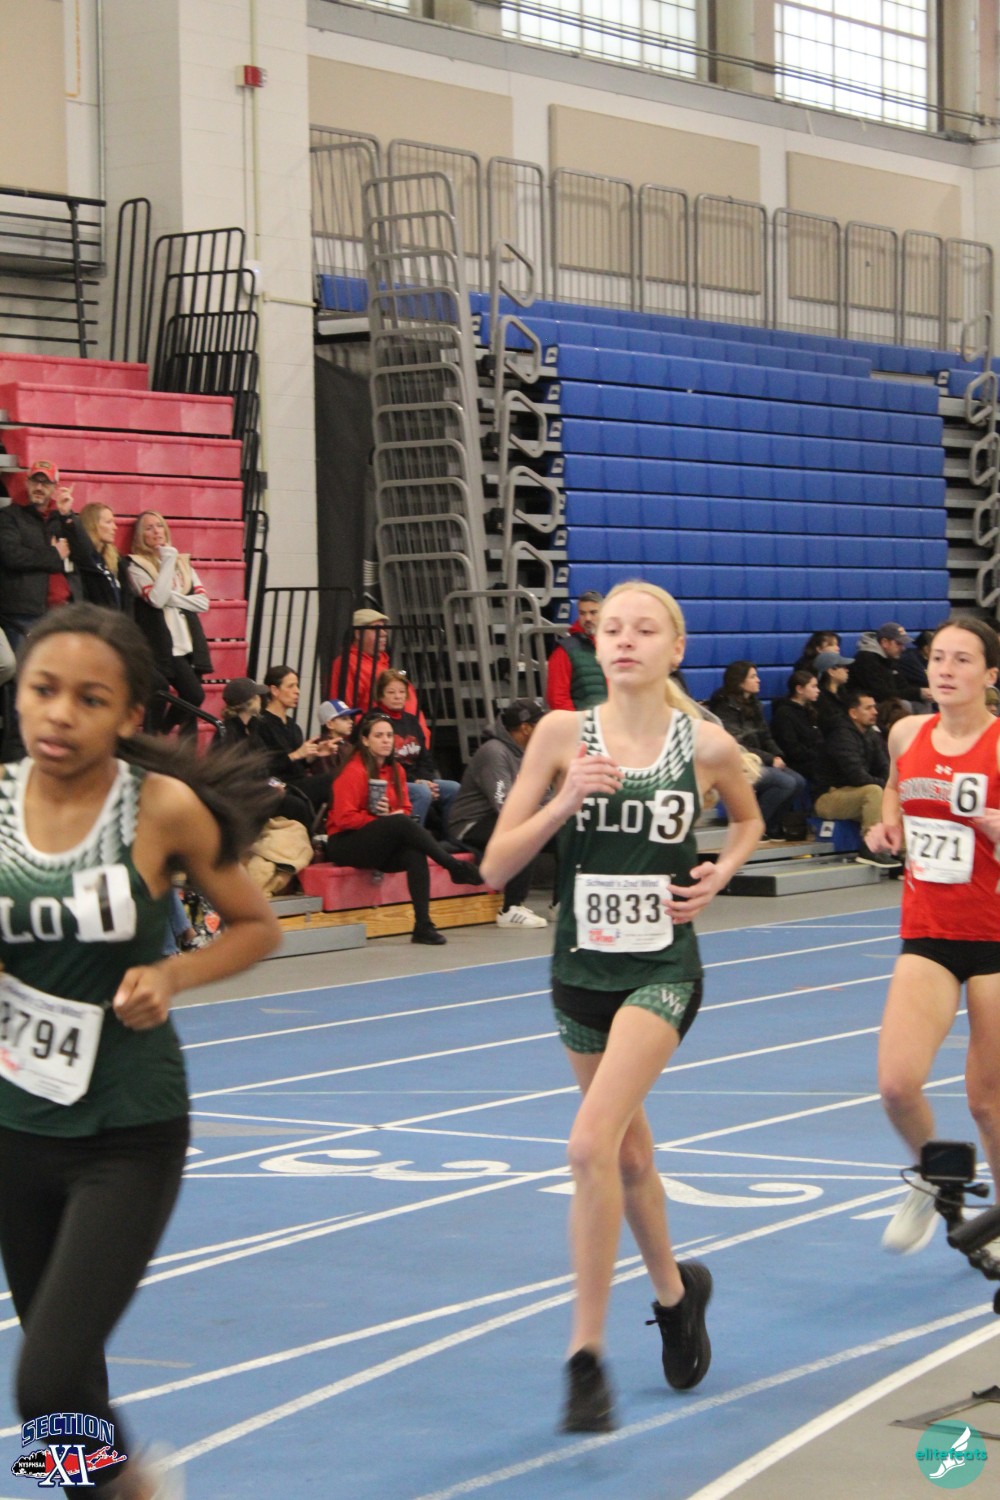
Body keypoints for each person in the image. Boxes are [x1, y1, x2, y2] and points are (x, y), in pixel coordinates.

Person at [0, 602, 280, 1499]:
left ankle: (125, 1488)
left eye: (88, 699)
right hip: (16, 1124)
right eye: (43, 690)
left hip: (126, 1125)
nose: (58, 715)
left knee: (44, 1381)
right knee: (67, 1392)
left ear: (127, 714)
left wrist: (172, 974)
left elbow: (257, 926)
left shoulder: (159, 807)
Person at [480, 581, 762, 1432]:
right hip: (579, 971)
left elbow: (748, 821)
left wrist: (720, 873)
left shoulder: (703, 743)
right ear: (595, 646)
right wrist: (564, 801)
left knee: (588, 1145)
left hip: (662, 970)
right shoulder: (562, 735)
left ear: (676, 648)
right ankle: (677, 1296)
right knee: (630, 1159)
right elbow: (495, 867)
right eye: (612, 629)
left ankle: (586, 1355)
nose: (626, 640)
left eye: (645, 629)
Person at [866, 617, 1000, 1255]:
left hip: (995, 937)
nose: (945, 669)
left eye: (962, 660)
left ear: (990, 675)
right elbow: (896, 788)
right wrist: (887, 825)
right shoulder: (906, 733)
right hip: (928, 931)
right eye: (938, 657)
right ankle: (934, 1173)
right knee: (896, 1085)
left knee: (988, 1104)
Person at [327, 711, 484, 945]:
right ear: (365, 740)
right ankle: (452, 865)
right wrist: (379, 819)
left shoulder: (396, 770)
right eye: (379, 735)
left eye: (389, 735)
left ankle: (423, 926)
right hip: (345, 842)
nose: (386, 740)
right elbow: (344, 819)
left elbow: (405, 808)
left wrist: (389, 816)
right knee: (399, 822)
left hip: (376, 838)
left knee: (414, 853)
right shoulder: (353, 771)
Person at [447, 698, 551, 930]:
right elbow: (504, 805)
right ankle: (510, 909)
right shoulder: (494, 752)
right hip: (470, 824)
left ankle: (560, 902)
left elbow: (545, 796)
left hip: (501, 819)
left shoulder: (531, 752)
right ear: (525, 728)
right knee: (526, 833)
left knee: (567, 829)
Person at [126, 511, 211, 738]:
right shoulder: (136, 565)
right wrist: (167, 561)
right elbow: (155, 599)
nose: (156, 531)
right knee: (160, 697)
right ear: (140, 535)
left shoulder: (183, 563)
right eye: (149, 528)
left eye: (159, 526)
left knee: (194, 696)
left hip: (186, 644)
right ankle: (153, 738)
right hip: (159, 645)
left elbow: (203, 602)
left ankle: (163, 733)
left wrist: (169, 597)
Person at [707, 661, 808, 839]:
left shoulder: (755, 704)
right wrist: (769, 759)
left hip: (758, 759)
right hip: (738, 762)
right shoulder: (724, 707)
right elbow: (737, 744)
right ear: (740, 681)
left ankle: (770, 826)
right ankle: (751, 828)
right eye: (753, 677)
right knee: (785, 782)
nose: (758, 680)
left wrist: (777, 755)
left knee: (798, 781)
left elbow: (765, 736)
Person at [813, 690, 900, 867]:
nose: (875, 712)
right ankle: (869, 847)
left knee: (896, 796)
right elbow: (857, 777)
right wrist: (886, 786)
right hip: (828, 797)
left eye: (874, 707)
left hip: (855, 793)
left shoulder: (871, 734)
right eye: (868, 708)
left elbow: (885, 768)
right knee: (873, 791)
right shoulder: (840, 736)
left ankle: (900, 853)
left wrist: (892, 788)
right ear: (853, 713)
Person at [252, 665, 336, 826]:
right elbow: (264, 764)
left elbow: (298, 763)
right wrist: (296, 754)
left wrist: (312, 755)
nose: (297, 691)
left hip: (299, 782)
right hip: (279, 785)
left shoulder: (293, 726)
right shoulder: (261, 723)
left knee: (341, 777)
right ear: (275, 690)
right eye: (290, 686)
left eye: (297, 686)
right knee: (334, 779)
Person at [0, 459, 71, 648]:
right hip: (22, 612)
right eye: (35, 481)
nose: (39, 487)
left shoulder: (59, 518)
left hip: (59, 612)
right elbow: (12, 555)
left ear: (55, 487)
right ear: (27, 482)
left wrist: (69, 516)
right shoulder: (9, 516)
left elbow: (84, 554)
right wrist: (53, 555)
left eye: (45, 483)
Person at [376, 668, 459, 829]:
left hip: (419, 780)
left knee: (453, 788)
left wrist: (426, 780)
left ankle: (451, 837)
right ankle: (412, 838)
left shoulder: (411, 721)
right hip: (392, 781)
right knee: (421, 792)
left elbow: (425, 757)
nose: (398, 696)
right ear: (381, 695)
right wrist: (416, 781)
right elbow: (383, 764)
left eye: (401, 692)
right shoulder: (377, 722)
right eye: (391, 692)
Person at [545, 591, 607, 711]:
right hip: (583, 721)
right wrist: (578, 720)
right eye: (582, 613)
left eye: (593, 612)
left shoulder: (615, 646)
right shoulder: (564, 651)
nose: (587, 618)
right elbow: (557, 699)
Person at [849, 622, 931, 711]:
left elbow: (903, 686)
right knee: (904, 704)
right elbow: (881, 694)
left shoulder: (891, 658)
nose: (903, 648)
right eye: (899, 643)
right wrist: (918, 693)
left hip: (886, 700)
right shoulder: (866, 659)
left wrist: (921, 692)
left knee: (923, 701)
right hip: (869, 704)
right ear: (885, 642)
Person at [770, 670, 823, 784]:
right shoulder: (784, 714)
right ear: (799, 689)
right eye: (813, 686)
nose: (818, 690)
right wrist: (818, 755)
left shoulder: (809, 710)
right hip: (796, 763)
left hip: (812, 759)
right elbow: (791, 748)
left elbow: (818, 739)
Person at [317, 697, 360, 777]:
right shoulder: (326, 747)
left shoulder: (345, 744)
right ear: (330, 724)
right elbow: (329, 777)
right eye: (344, 719)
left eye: (350, 718)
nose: (351, 721)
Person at [814, 649, 853, 735]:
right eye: (843, 667)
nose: (847, 670)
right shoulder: (820, 699)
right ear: (831, 671)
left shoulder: (843, 693)